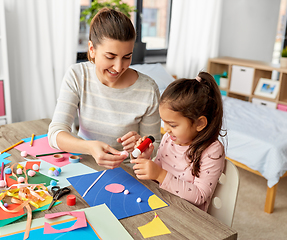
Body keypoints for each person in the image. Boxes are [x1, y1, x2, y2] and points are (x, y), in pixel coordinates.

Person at [48, 8, 161, 169]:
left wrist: (141, 147)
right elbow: (55, 135)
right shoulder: (77, 75)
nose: (118, 67)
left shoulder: (148, 89)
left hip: (127, 170)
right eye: (110, 57)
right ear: (92, 49)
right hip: (85, 162)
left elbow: (155, 144)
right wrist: (90, 147)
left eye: (127, 57)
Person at [131, 72, 225, 211]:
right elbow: (155, 178)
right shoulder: (169, 138)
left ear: (200, 123)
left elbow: (200, 195)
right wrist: (145, 159)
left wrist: (160, 174)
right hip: (160, 204)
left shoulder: (212, 150)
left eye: (173, 125)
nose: (166, 129)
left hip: (186, 215)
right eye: (164, 122)